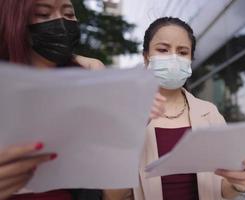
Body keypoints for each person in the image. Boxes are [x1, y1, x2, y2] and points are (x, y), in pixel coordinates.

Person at [0, 0, 165, 200]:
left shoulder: (89, 86)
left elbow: (110, 191)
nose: (60, 23)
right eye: (43, 14)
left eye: (69, 14)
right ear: (13, 20)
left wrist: (129, 129)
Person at [132, 17, 245, 200]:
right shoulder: (128, 114)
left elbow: (223, 190)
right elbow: (113, 195)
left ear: (190, 60)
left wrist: (239, 184)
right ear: (146, 57)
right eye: (162, 50)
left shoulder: (210, 114)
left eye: (182, 52)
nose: (173, 58)